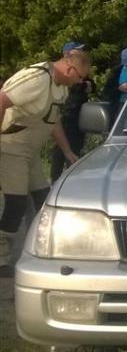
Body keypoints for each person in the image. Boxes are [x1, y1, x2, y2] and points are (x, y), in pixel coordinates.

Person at [1, 48, 93, 273]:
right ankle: (1, 257)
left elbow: (53, 121)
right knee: (16, 202)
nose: (79, 82)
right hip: (12, 147)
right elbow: (2, 100)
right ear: (70, 69)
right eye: (80, 77)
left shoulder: (60, 87)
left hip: (30, 151)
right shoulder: (36, 78)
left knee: (44, 200)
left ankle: (37, 249)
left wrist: (67, 151)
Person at [50, 42, 95, 181]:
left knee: (76, 148)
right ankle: (56, 181)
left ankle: (72, 179)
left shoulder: (81, 72)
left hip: (79, 116)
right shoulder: (59, 76)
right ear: (68, 56)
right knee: (59, 150)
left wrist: (89, 85)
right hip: (64, 115)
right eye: (77, 51)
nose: (81, 53)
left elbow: (91, 85)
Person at [105, 47, 127, 123]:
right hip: (121, 105)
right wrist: (119, 89)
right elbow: (107, 91)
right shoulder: (116, 72)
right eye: (126, 64)